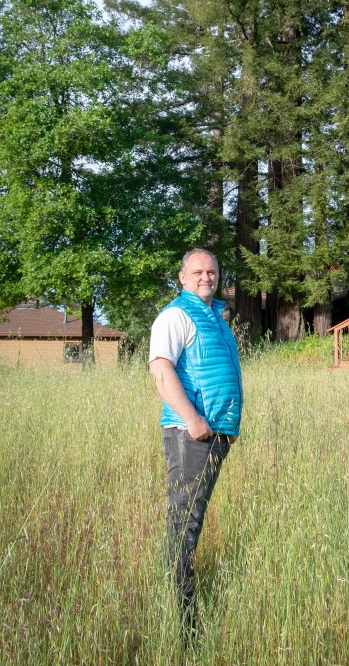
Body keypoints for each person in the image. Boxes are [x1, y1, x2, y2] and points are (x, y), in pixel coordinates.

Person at [149, 248, 243, 628]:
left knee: (192, 519)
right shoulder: (176, 315)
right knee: (184, 523)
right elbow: (160, 370)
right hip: (190, 436)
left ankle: (180, 608)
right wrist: (193, 420)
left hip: (212, 435)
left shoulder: (215, 318)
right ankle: (182, 619)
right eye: (198, 271)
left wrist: (225, 428)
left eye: (212, 271)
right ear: (182, 277)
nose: (206, 277)